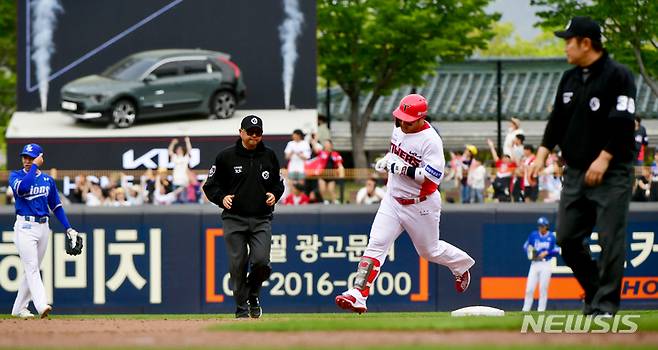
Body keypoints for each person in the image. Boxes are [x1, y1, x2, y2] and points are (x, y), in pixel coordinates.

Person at [530, 16, 637, 317]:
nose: (565, 47)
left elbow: (624, 123)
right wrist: (541, 154)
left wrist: (604, 158)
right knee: (566, 237)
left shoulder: (619, 75)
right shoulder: (570, 78)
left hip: (611, 171)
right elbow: (557, 122)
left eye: (569, 41)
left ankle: (605, 306)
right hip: (575, 172)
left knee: (609, 238)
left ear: (586, 43)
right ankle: (594, 292)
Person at [334, 94, 474, 314]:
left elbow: (432, 180)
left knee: (430, 251)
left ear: (421, 118)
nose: (403, 123)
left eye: (408, 119)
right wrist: (388, 160)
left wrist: (403, 169)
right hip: (392, 199)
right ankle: (358, 293)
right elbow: (397, 154)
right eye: (401, 117)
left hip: (421, 203)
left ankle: (461, 264)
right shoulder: (399, 127)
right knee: (376, 244)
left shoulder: (431, 140)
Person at [202, 115, 284, 318]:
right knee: (237, 264)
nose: (254, 137)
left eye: (258, 133)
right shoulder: (225, 157)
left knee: (261, 262)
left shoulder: (269, 155)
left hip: (261, 218)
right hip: (234, 218)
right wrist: (221, 198)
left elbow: (278, 183)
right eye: (250, 132)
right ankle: (241, 309)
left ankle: (253, 294)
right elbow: (210, 185)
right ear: (241, 132)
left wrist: (275, 194)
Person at [9, 143, 81, 318]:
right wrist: (35, 166)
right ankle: (41, 304)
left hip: (43, 227)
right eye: (25, 157)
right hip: (25, 226)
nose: (27, 160)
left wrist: (68, 228)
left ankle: (18, 308)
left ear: (40, 157)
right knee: (32, 268)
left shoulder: (47, 180)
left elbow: (56, 206)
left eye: (31, 157)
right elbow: (23, 188)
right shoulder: (16, 176)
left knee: (31, 269)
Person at [522, 217, 560, 312]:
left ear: (546, 226)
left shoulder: (551, 236)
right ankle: (525, 309)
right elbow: (526, 245)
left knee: (543, 288)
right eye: (539, 226)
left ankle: (541, 310)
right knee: (529, 288)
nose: (540, 228)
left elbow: (557, 250)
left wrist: (547, 252)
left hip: (546, 263)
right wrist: (528, 252)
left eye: (542, 226)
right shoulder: (534, 235)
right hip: (535, 264)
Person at [168, 136, 193, 203]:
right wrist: (173, 143)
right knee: (174, 198)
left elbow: (190, 150)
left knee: (184, 198)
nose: (178, 150)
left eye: (179, 149)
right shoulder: (175, 157)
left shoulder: (185, 158)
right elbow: (170, 151)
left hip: (184, 181)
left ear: (182, 150)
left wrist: (187, 141)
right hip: (175, 180)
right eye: (177, 149)